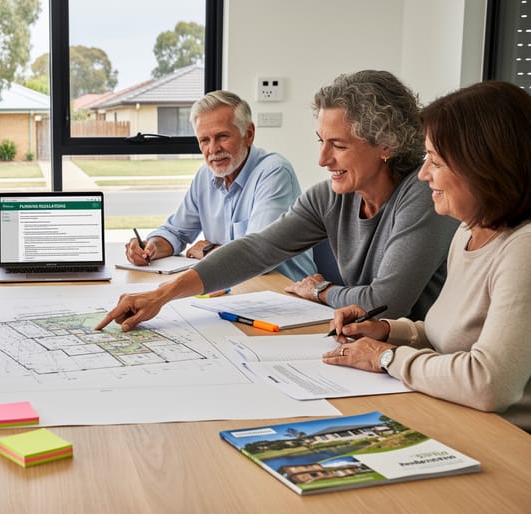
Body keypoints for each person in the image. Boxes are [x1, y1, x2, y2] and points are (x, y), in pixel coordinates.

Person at [97, 70, 459, 333]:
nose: (323, 160)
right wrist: (161, 295)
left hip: (420, 359)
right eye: (321, 141)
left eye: (338, 145)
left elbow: (384, 303)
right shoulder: (329, 197)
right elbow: (256, 249)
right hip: (368, 348)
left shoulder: (424, 195)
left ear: (387, 145)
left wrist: (320, 290)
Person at [323, 81, 531, 430]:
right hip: (458, 416)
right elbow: (447, 337)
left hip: (507, 440)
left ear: (482, 166)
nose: (423, 174)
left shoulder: (523, 249)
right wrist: (386, 330)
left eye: (435, 161)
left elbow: (489, 383)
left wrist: (387, 357)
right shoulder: (467, 232)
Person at [126, 90, 315, 281]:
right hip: (235, 286)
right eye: (204, 140)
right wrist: (151, 247)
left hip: (283, 289)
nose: (213, 149)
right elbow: (176, 232)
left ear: (248, 134)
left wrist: (208, 250)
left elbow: (258, 256)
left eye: (222, 137)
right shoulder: (205, 175)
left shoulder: (274, 172)